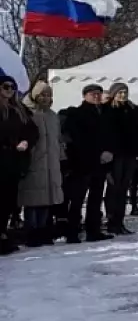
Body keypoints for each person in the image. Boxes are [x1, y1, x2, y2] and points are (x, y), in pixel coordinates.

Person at [63, 84, 114, 243]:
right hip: (82, 163)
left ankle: (93, 230)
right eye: (93, 94)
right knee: (78, 199)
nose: (97, 96)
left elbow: (110, 135)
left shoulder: (105, 113)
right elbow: (76, 140)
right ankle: (72, 232)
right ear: (85, 95)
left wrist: (108, 151)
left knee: (96, 198)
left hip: (100, 164)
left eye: (99, 93)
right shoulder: (77, 113)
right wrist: (95, 154)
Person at [19, 81, 63, 247]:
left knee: (46, 200)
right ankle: (31, 232)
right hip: (34, 162)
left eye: (48, 95)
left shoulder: (52, 115)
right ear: (35, 96)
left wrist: (61, 157)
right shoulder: (27, 113)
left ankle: (43, 231)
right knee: (32, 201)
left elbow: (57, 139)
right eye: (42, 94)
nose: (45, 98)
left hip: (51, 162)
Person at [103, 83, 138, 235]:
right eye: (120, 92)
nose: (123, 94)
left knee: (123, 188)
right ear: (114, 93)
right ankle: (111, 220)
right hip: (114, 155)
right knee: (113, 188)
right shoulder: (108, 109)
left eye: (125, 92)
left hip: (130, 153)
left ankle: (119, 221)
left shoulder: (132, 109)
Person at [1, 75, 37, 254]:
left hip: (14, 160)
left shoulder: (19, 109)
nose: (9, 91)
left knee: (9, 200)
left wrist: (26, 141)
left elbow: (32, 130)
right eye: (6, 87)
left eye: (12, 88)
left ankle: (3, 233)